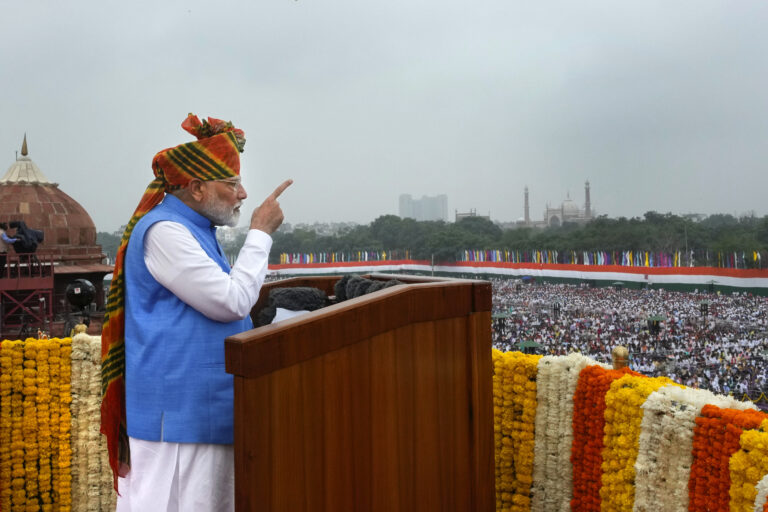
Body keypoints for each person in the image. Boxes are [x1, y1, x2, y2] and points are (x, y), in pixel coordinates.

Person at [100, 114, 292, 511]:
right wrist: (259, 233)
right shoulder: (165, 231)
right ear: (198, 188)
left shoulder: (194, 231)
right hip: (178, 420)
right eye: (232, 184)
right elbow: (231, 301)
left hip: (202, 413)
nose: (242, 195)